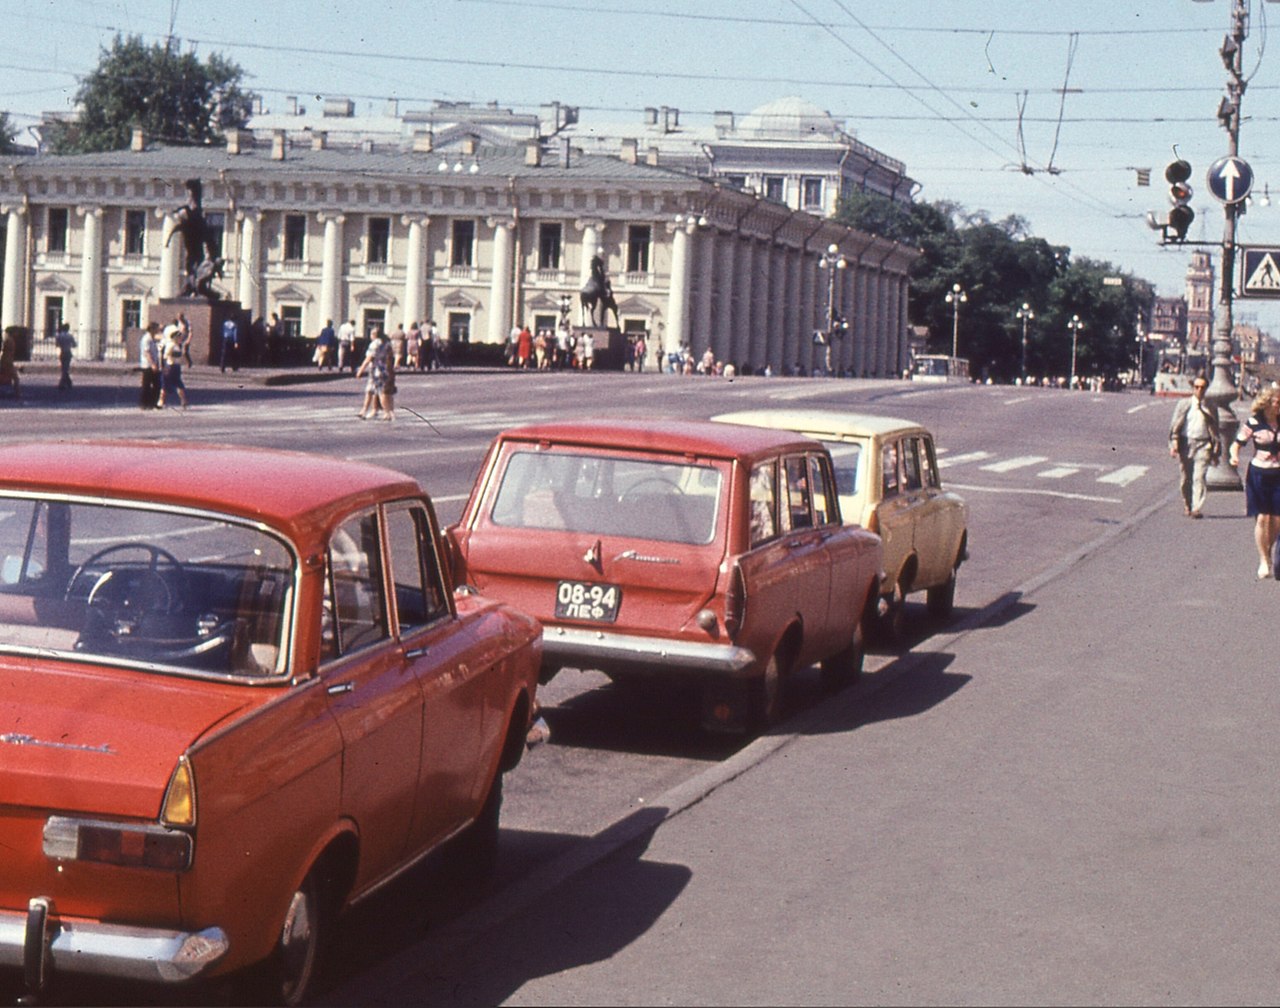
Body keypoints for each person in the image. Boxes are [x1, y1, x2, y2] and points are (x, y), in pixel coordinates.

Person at [1229, 384, 1280, 579]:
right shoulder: (1254, 422)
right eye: (1276, 402)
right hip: (1259, 474)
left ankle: (1268, 550)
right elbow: (1237, 444)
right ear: (1267, 403)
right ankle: (1263, 559)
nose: (1278, 406)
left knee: (1277, 519)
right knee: (1262, 518)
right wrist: (1234, 456)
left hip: (1278, 474)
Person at [1168, 375, 1220, 519]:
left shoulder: (1210, 407)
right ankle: (1187, 504)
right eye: (1196, 387)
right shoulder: (1184, 404)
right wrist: (1174, 444)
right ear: (1193, 388)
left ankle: (1196, 507)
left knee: (1199, 477)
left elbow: (1216, 430)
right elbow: (1174, 426)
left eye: (1202, 387)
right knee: (1186, 478)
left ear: (1206, 389)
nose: (1199, 390)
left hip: (1204, 444)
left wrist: (1216, 452)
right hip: (1186, 443)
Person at [355, 327, 395, 420]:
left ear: (374, 335)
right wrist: (389, 371)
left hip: (375, 371)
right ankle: (363, 411)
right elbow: (390, 358)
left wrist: (361, 370)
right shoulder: (387, 344)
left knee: (380, 392)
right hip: (383, 370)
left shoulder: (374, 344)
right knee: (369, 391)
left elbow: (369, 358)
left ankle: (386, 412)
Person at [157, 323, 189, 409]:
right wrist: (164, 367)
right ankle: (161, 402)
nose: (180, 338)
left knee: (174, 384)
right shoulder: (171, 345)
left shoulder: (176, 346)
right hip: (171, 366)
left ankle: (183, 401)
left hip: (174, 366)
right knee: (167, 385)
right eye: (178, 336)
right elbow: (165, 356)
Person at [139, 321, 162, 409]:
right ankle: (144, 404)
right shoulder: (146, 339)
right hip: (147, 365)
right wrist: (153, 364)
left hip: (153, 364)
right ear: (152, 329)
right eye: (156, 328)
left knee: (157, 385)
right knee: (146, 385)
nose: (158, 330)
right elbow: (147, 352)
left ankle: (153, 403)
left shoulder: (152, 338)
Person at [54, 322, 76, 391]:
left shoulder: (59, 336)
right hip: (68, 352)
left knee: (64, 368)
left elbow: (57, 345)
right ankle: (62, 384)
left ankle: (68, 382)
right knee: (65, 369)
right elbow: (74, 345)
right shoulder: (70, 336)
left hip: (62, 352)